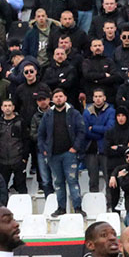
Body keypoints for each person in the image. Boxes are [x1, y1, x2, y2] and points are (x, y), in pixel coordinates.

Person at [38, 87, 86, 216]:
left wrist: (75, 148)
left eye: (61, 96)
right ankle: (61, 208)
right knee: (58, 182)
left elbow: (82, 131)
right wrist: (44, 149)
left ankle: (77, 208)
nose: (58, 99)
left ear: (65, 98)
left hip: (69, 154)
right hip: (53, 155)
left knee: (72, 181)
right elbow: (40, 134)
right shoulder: (48, 115)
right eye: (56, 97)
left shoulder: (74, 113)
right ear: (52, 99)